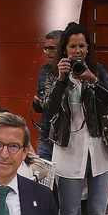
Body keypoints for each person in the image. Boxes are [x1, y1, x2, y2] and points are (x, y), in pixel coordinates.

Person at [41, 22, 108, 215]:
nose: (77, 51)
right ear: (65, 48)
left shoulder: (99, 70)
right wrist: (63, 79)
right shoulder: (53, 73)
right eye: (72, 46)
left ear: (88, 48)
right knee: (67, 213)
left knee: (97, 214)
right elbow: (49, 109)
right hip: (68, 149)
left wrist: (92, 79)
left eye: (82, 46)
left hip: (100, 150)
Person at [31, 30, 63, 162]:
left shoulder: (74, 72)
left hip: (64, 137)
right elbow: (40, 107)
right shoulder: (44, 71)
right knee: (43, 177)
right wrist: (37, 103)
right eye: (46, 48)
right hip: (46, 133)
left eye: (52, 48)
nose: (48, 52)